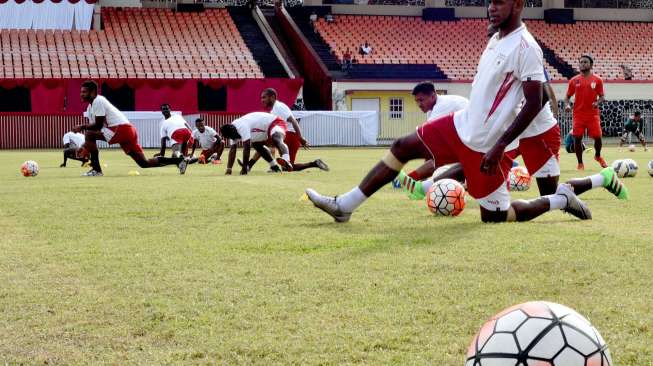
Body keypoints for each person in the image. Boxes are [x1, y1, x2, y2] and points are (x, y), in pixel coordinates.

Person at [306, 0, 593, 224]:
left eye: (499, 2)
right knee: (401, 146)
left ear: (518, 5)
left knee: (495, 217)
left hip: (484, 145)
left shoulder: (526, 47)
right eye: (489, 2)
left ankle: (561, 199)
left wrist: (500, 145)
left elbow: (534, 101)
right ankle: (344, 205)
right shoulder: (496, 38)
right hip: (460, 125)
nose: (491, 8)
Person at [73, 80, 189, 176]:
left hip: (121, 129)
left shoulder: (98, 100)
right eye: (81, 92)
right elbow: (96, 129)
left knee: (89, 134)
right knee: (144, 163)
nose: (81, 94)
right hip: (128, 131)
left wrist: (82, 127)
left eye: (84, 92)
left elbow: (97, 126)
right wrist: (85, 146)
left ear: (93, 92)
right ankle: (178, 160)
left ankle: (97, 170)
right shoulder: (90, 108)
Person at [241, 89, 329, 172]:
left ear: (272, 97)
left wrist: (300, 137)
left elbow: (293, 120)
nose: (262, 100)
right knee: (288, 167)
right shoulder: (275, 108)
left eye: (264, 97)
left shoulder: (279, 107)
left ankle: (252, 165)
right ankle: (315, 163)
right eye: (261, 98)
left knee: (260, 143)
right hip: (291, 137)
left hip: (289, 135)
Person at [400, 82, 469, 182]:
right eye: (417, 101)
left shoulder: (441, 106)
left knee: (438, 156)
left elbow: (422, 137)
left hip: (474, 135)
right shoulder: (431, 110)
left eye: (421, 100)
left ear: (432, 96)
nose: (419, 104)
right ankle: (417, 180)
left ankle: (410, 180)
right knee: (434, 151)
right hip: (465, 133)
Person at [564, 55, 607, 171]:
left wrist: (597, 102)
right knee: (577, 138)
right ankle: (580, 163)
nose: (583, 64)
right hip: (578, 114)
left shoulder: (597, 80)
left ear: (591, 65)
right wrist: (567, 105)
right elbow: (567, 97)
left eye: (585, 62)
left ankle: (597, 156)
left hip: (593, 114)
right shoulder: (574, 80)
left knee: (598, 137)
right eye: (581, 62)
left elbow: (602, 97)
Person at [220, 112, 292, 175]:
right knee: (256, 145)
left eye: (231, 137)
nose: (233, 139)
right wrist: (229, 169)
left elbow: (246, 148)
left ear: (233, 131)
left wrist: (244, 167)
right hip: (263, 130)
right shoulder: (231, 132)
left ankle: (287, 161)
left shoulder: (241, 126)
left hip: (275, 122)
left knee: (277, 139)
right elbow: (232, 150)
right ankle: (274, 166)